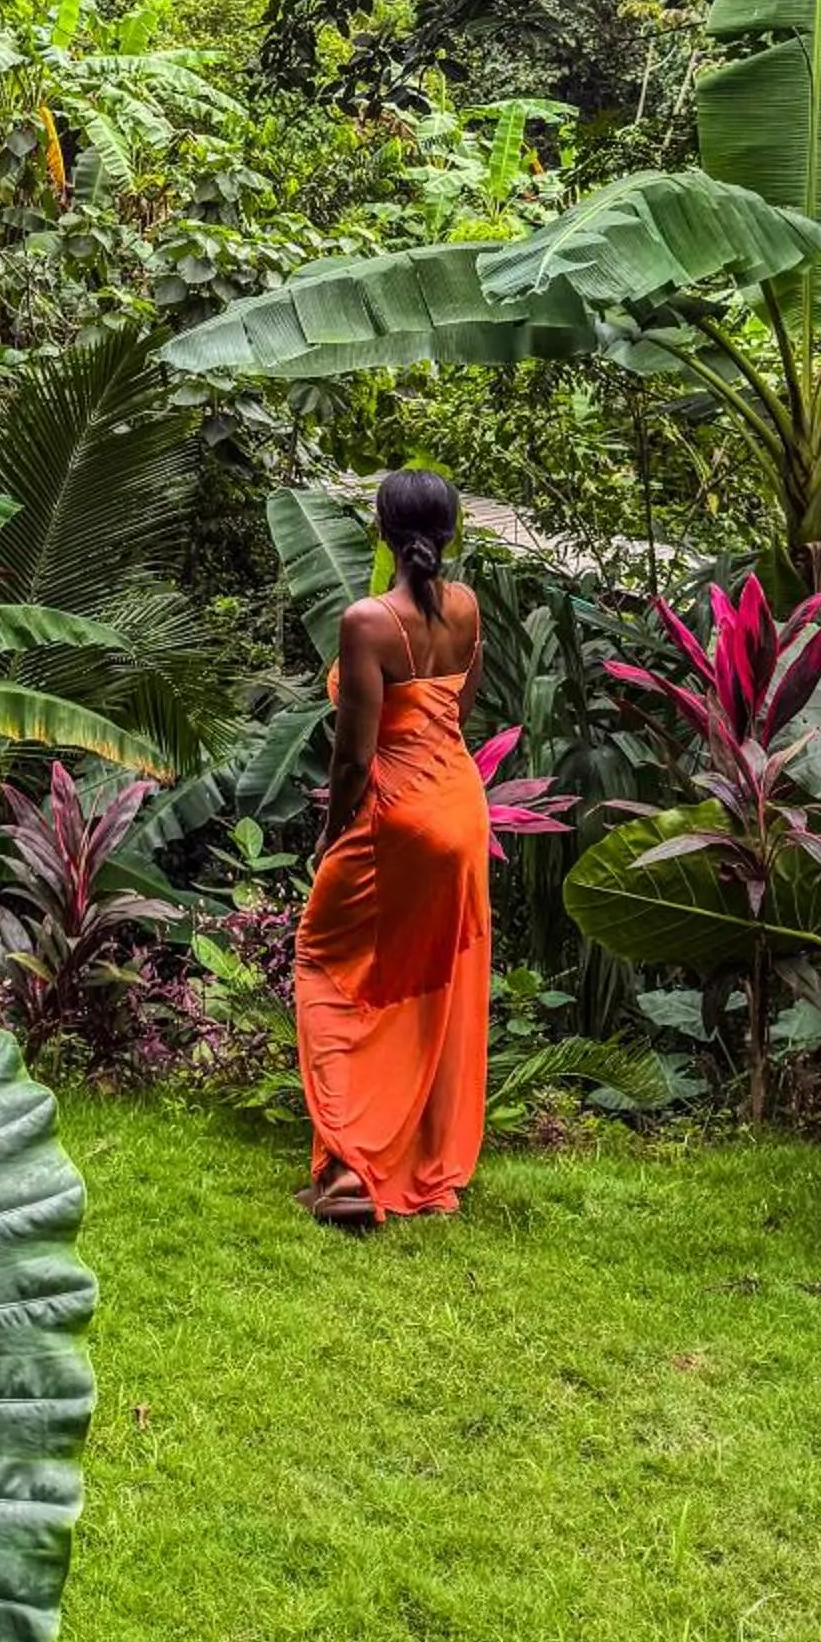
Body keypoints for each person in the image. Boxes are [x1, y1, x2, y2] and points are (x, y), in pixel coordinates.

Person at [293, 468, 490, 1228]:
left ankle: (351, 1165)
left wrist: (332, 829)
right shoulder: (468, 606)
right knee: (429, 986)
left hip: (396, 815)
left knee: (327, 970)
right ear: (450, 533)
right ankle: (412, 1160)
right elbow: (460, 710)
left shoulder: (368, 621)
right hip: (459, 808)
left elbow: (353, 754)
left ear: (383, 530)